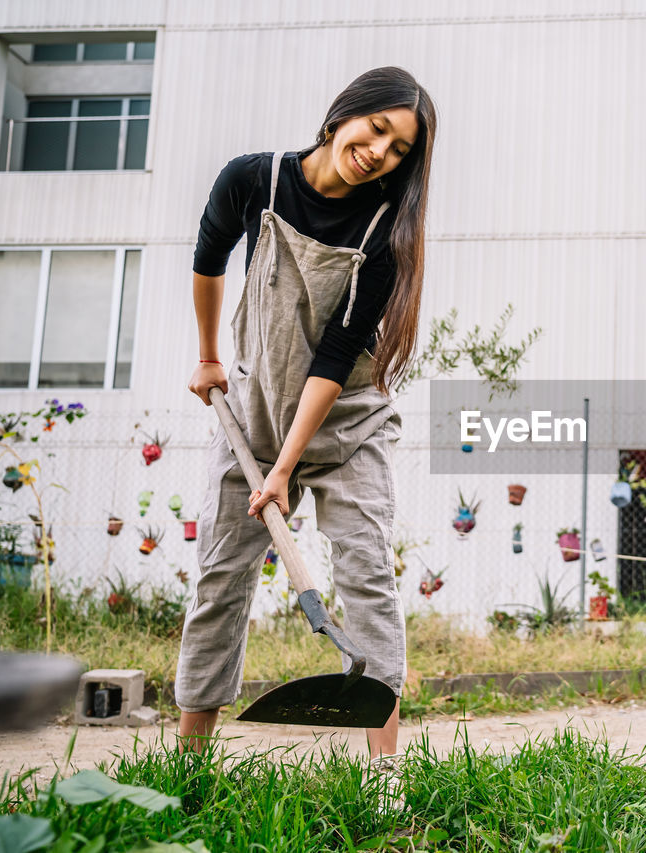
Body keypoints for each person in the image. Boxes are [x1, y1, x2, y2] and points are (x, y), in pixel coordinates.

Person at [177, 67, 437, 759]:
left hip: (348, 425)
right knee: (218, 580)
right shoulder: (252, 180)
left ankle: (386, 772)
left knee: (366, 574)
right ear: (342, 116)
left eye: (400, 148)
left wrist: (285, 468)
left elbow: (334, 356)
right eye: (378, 128)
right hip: (253, 418)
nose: (382, 151)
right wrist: (208, 356)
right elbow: (208, 258)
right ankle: (189, 762)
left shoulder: (383, 232)